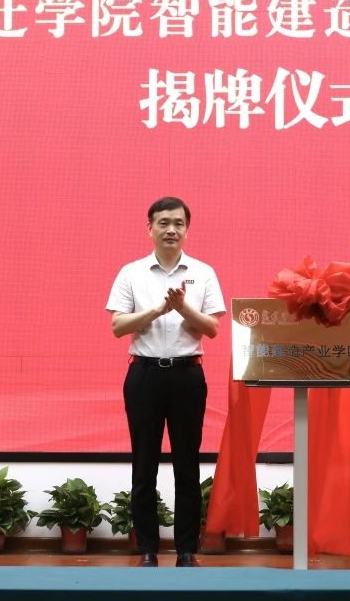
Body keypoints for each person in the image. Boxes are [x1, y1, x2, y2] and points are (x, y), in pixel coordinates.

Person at [106, 197, 226, 568]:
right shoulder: (132, 273)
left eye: (178, 223)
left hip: (187, 375)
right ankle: (147, 548)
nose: (171, 229)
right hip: (143, 375)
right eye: (163, 223)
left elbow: (213, 328)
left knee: (187, 465)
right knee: (144, 465)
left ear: (187, 229)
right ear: (150, 228)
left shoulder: (203, 272)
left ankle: (187, 550)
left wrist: (183, 308)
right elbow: (117, 326)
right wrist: (159, 309)